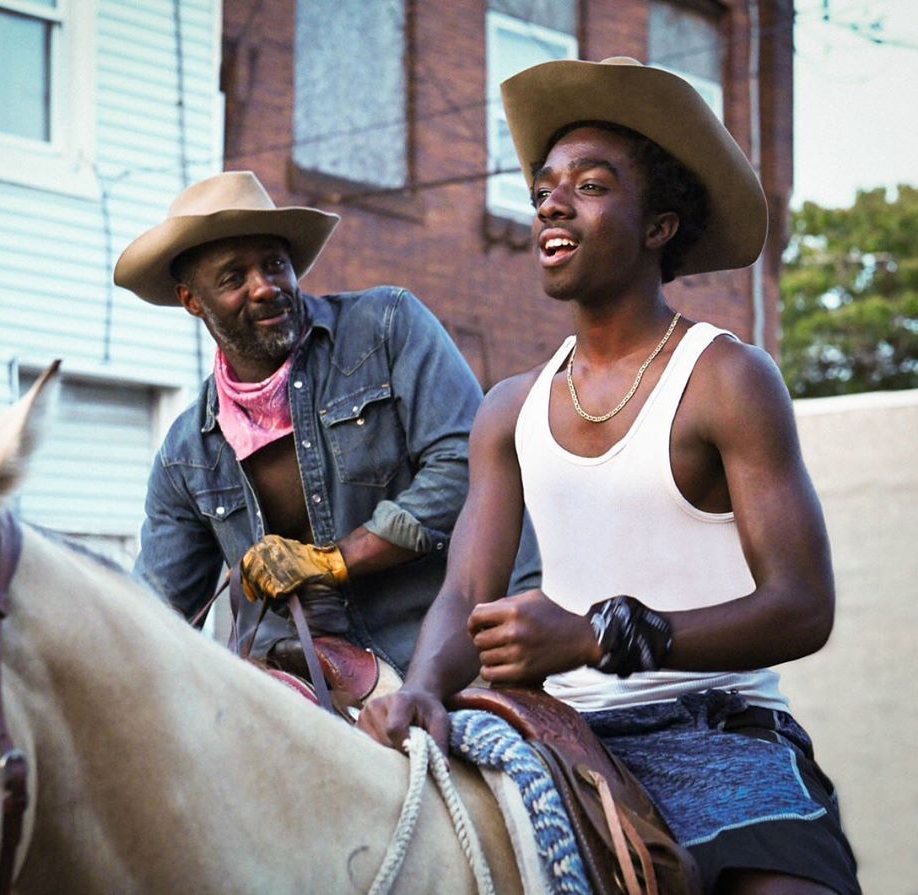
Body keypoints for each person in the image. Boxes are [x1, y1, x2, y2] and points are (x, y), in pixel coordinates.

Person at [359, 58, 859, 894]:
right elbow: (468, 591)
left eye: (589, 186)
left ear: (659, 225)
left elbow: (803, 606)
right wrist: (421, 689)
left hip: (720, 731)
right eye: (544, 189)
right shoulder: (508, 409)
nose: (551, 203)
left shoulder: (727, 378)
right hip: (564, 740)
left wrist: (598, 636)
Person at [114, 171, 538, 674]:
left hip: (445, 656)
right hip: (289, 682)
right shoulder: (187, 456)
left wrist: (336, 560)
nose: (265, 287)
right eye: (233, 278)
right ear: (191, 300)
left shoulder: (386, 330)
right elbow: (155, 613)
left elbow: (468, 468)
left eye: (275, 265)